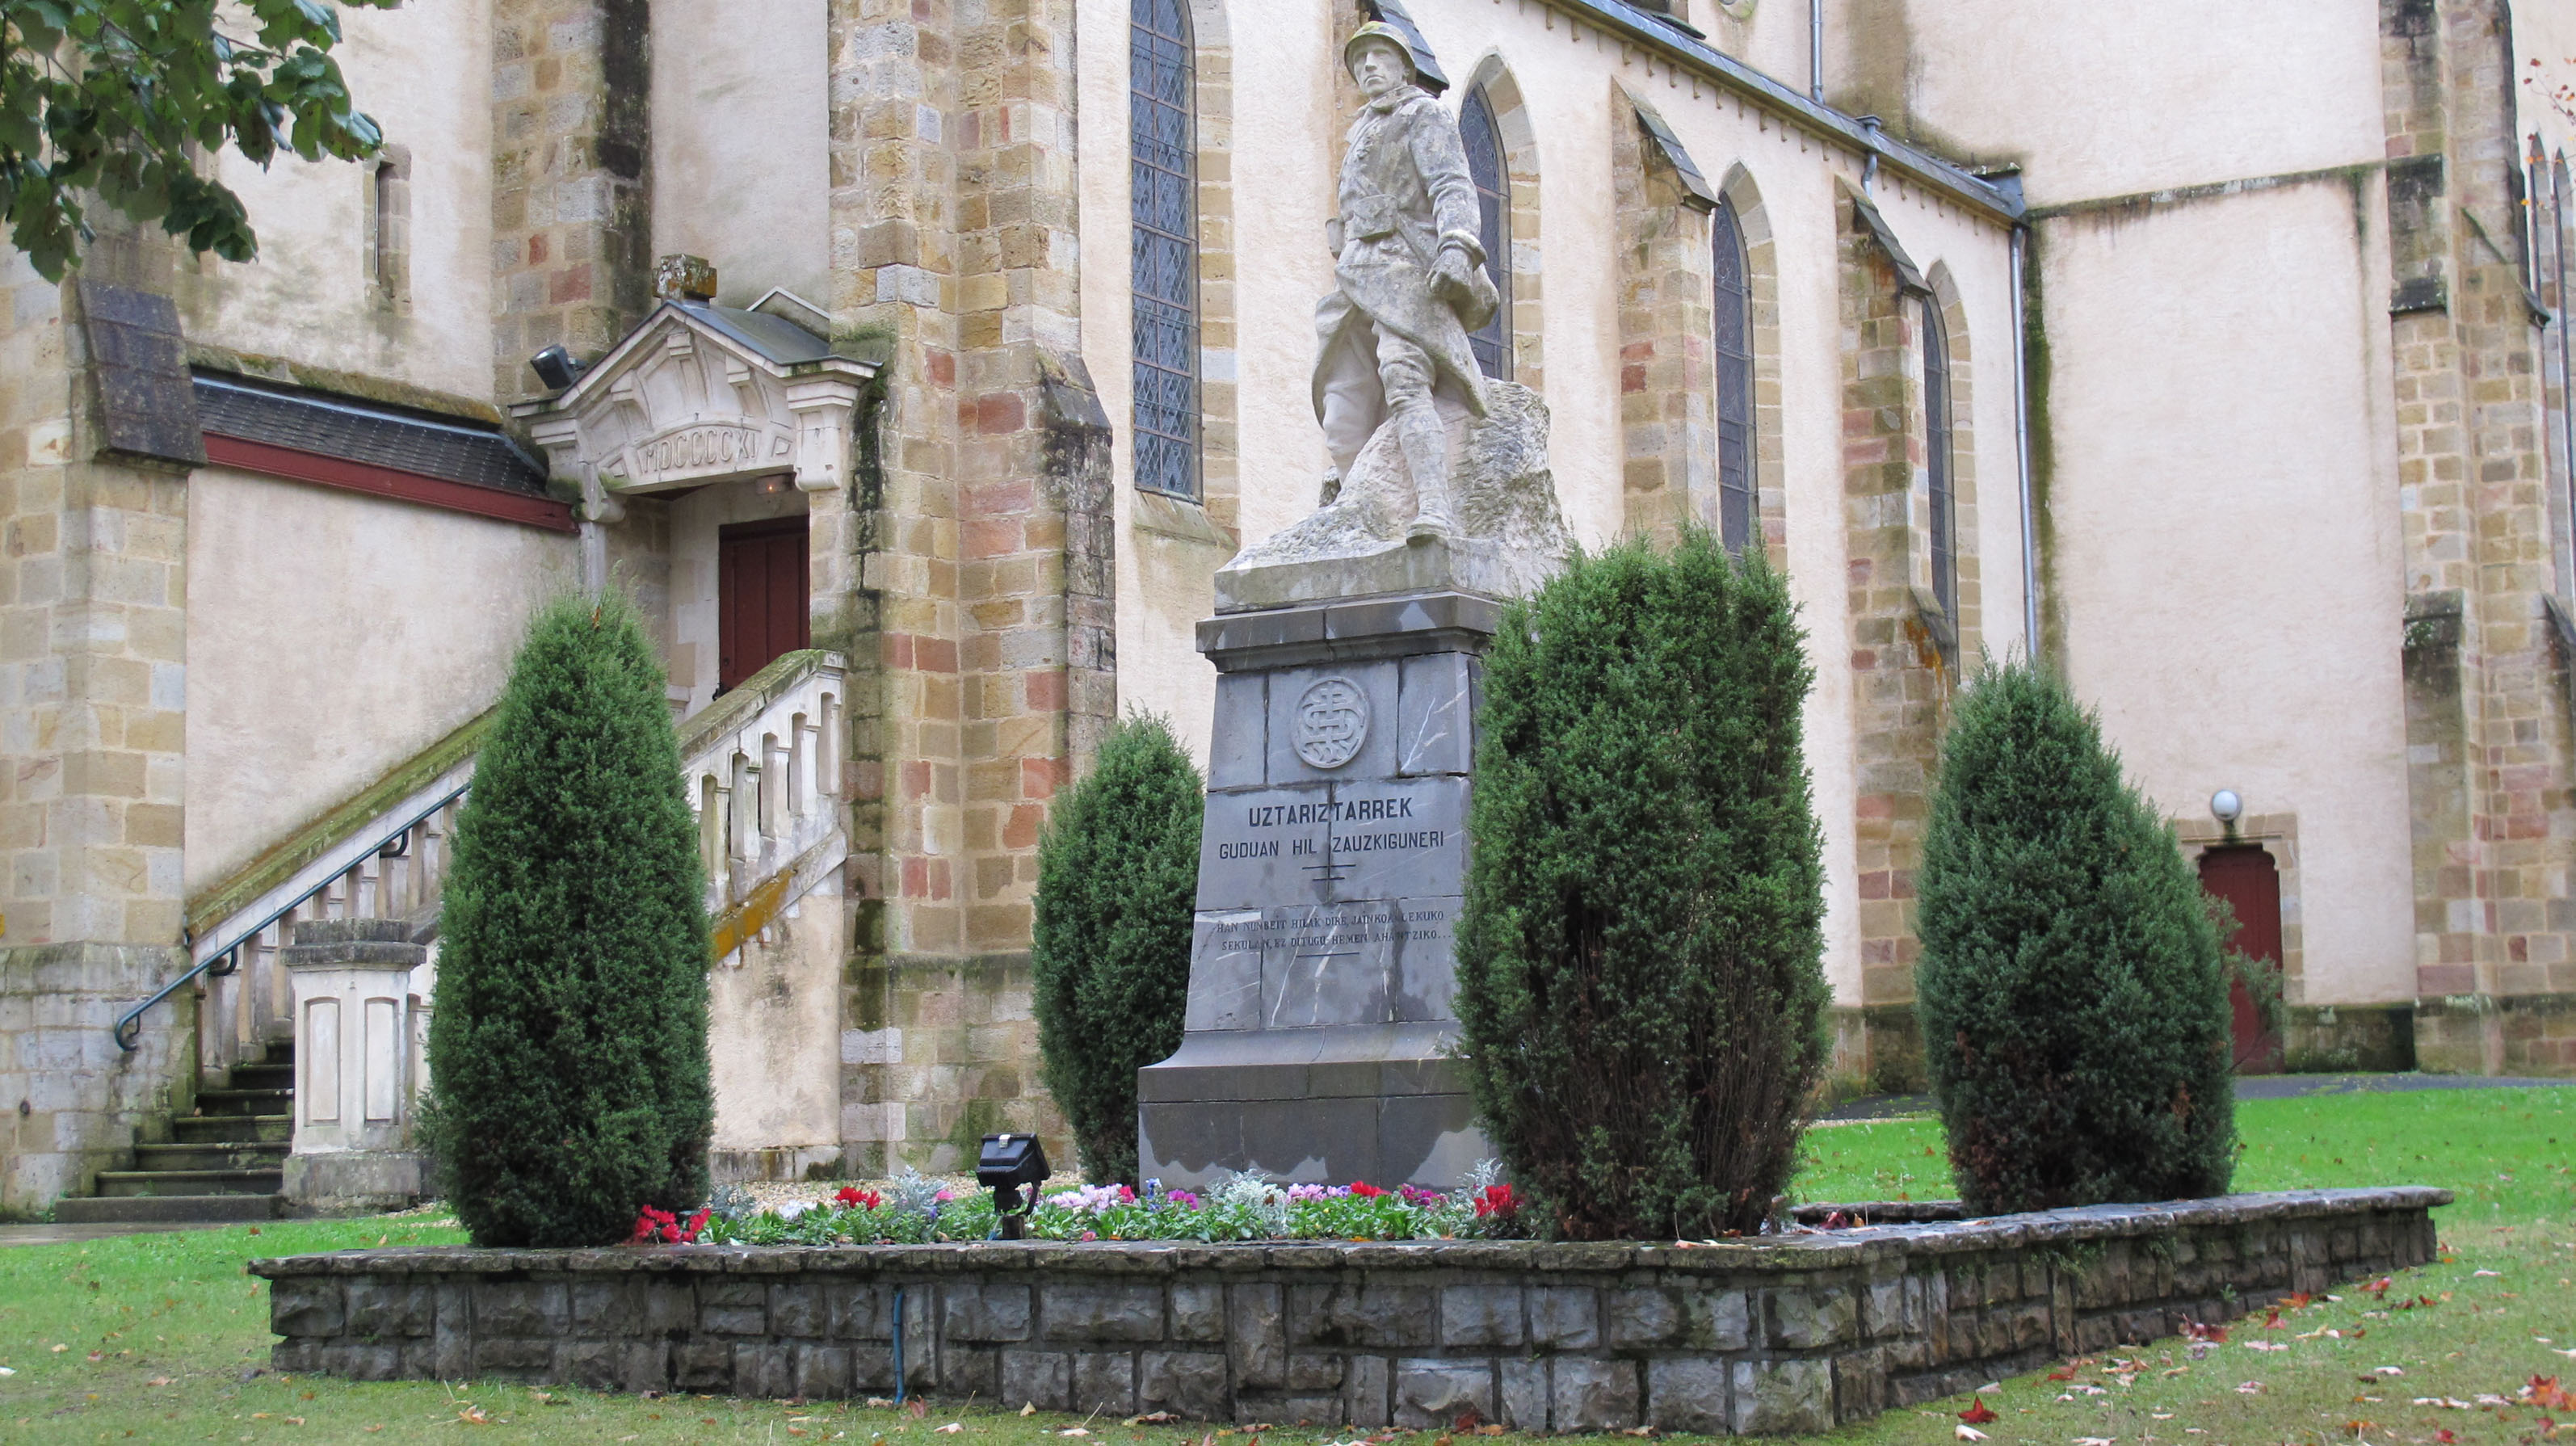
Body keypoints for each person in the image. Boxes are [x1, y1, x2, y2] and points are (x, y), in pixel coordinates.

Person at [1311, 22, 1500, 538]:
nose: (1368, 65)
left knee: (1405, 379)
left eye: (1379, 55)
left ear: (1404, 66)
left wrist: (1457, 246)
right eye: (1360, 60)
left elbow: (1451, 184)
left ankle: (1435, 507)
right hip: (1356, 275)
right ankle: (1359, 517)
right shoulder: (1360, 130)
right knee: (1341, 410)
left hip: (1407, 268)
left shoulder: (1423, 114)